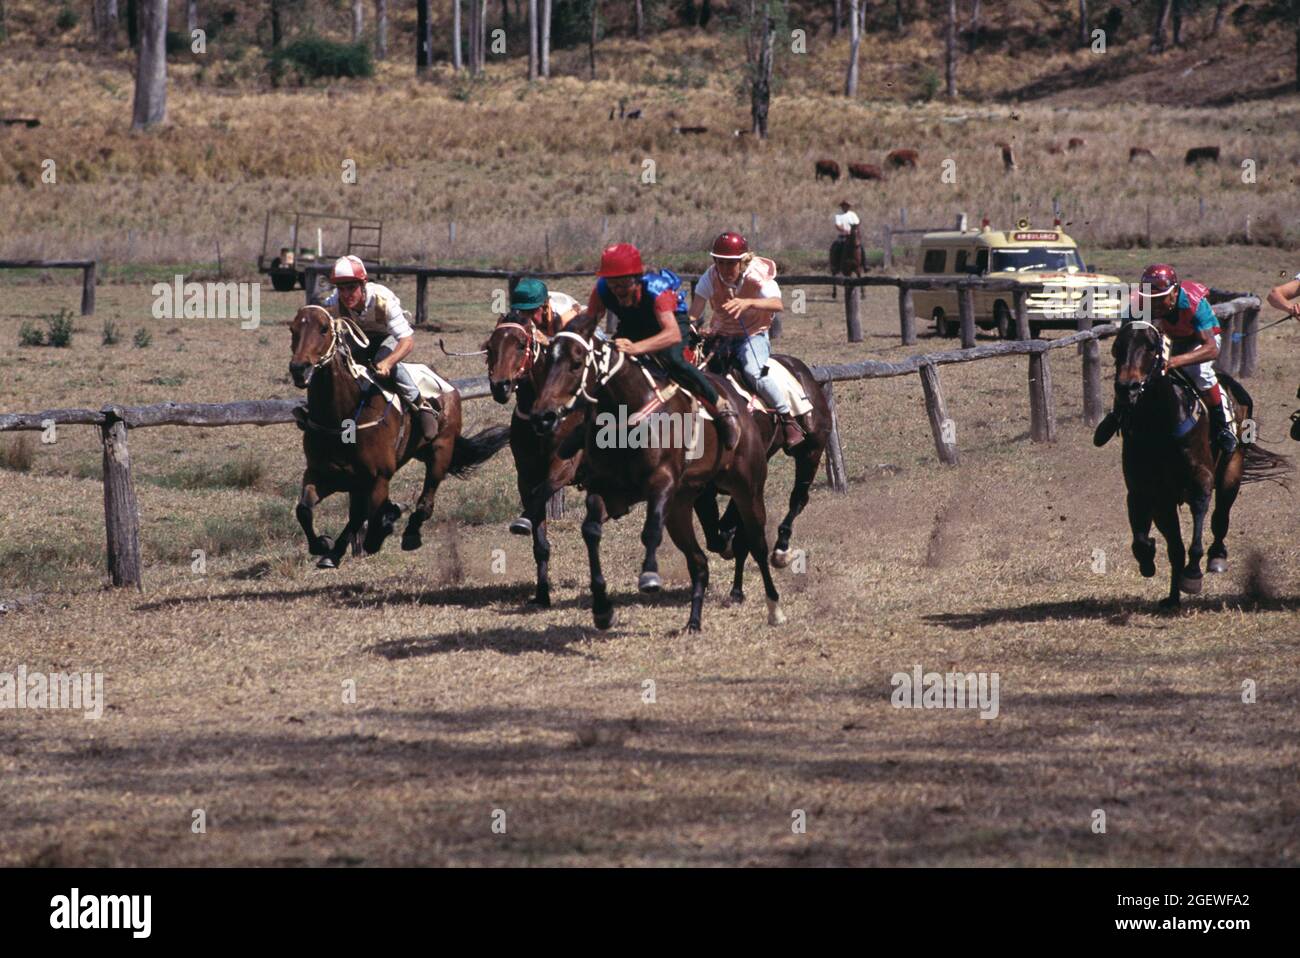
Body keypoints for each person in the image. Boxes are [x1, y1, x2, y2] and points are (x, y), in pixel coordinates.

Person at [582, 242, 741, 450]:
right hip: (634, 324)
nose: (617, 292)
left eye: (623, 285)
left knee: (674, 360)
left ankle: (721, 406)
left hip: (672, 324)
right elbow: (588, 320)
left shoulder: (657, 290)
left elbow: (672, 334)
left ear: (636, 279)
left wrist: (636, 348)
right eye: (613, 285)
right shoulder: (602, 289)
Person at [1093, 264, 1237, 455]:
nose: (1155, 306)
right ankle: (1118, 414)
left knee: (1199, 372)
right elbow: (1125, 344)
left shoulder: (1193, 302)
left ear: (1175, 292)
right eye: (1151, 300)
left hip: (1199, 341)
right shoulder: (1138, 303)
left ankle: (1222, 426)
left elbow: (1210, 349)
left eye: (1160, 299)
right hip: (1167, 339)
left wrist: (1174, 362)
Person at [690, 231, 808, 450]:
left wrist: (747, 303)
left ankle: (787, 419)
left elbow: (777, 304)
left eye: (730, 264)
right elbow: (694, 312)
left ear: (742, 262)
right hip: (721, 335)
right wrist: (692, 327)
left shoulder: (757, 274)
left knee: (754, 371)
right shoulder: (710, 276)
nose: (724, 269)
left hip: (753, 335)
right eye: (720, 262)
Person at [321, 254, 440, 442]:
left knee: (381, 363)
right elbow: (317, 316)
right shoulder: (333, 302)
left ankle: (421, 406)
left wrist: (388, 363)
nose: (346, 294)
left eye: (351, 287)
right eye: (341, 288)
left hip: (387, 336)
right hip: (358, 336)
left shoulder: (383, 300)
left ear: (363, 284)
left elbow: (407, 341)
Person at [508, 277, 581, 340]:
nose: (527, 318)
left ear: (544, 307)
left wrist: (547, 342)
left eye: (531, 313)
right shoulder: (522, 314)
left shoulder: (565, 317)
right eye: (522, 312)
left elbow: (568, 348)